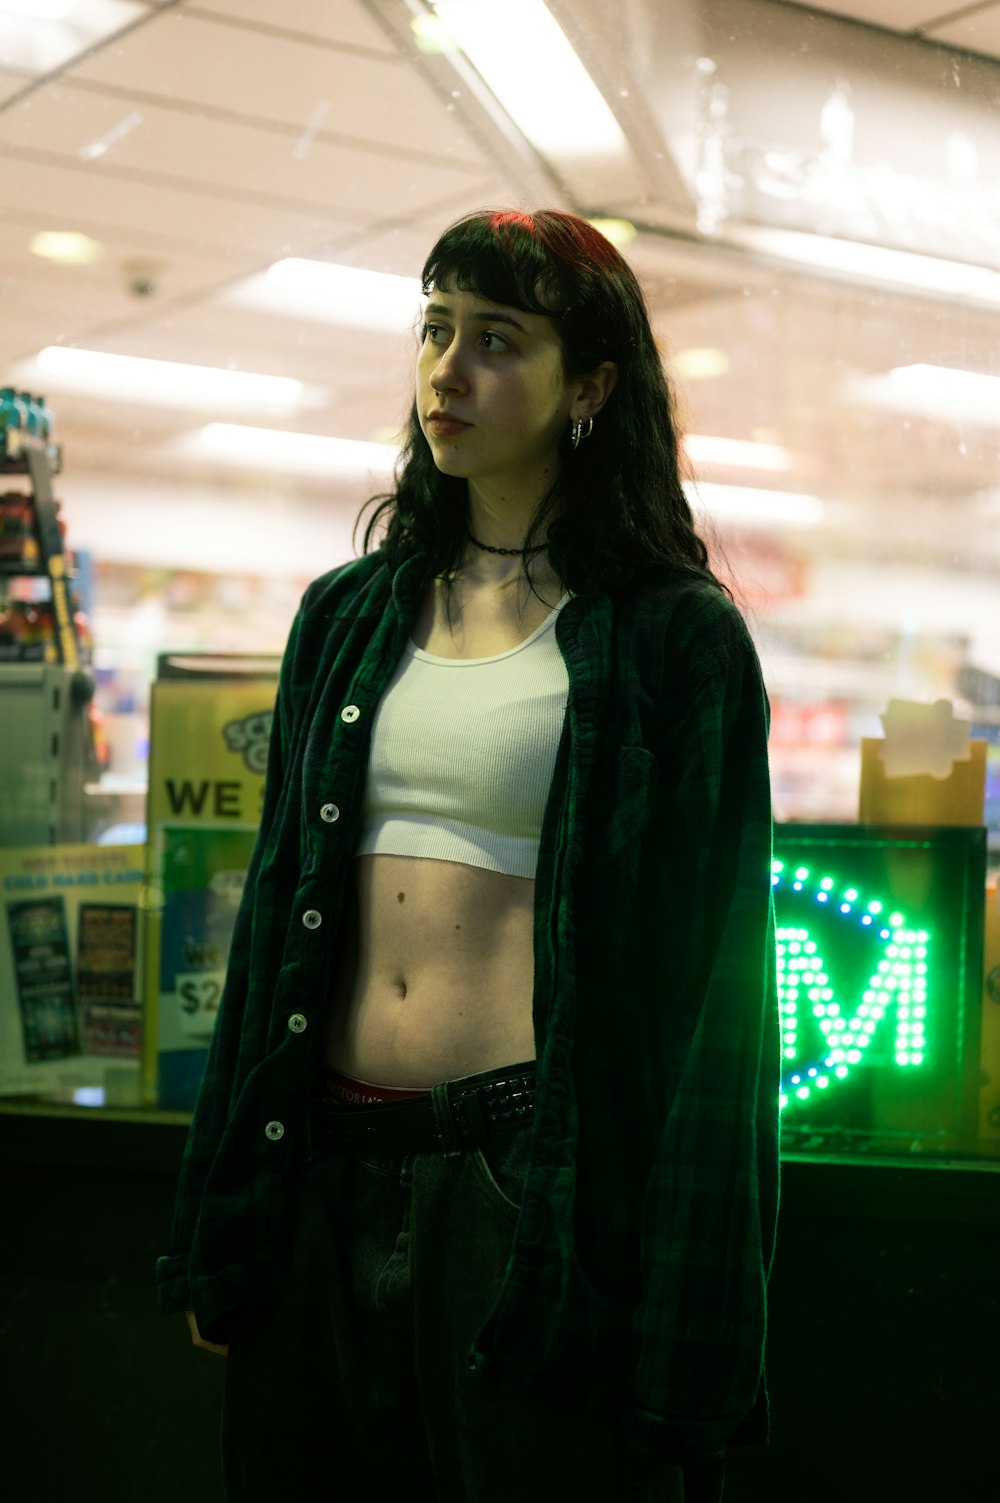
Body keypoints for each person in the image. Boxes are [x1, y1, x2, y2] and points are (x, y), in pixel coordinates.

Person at [157, 208, 780, 1503]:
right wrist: (222, 1228)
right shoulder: (349, 614)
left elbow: (718, 1013)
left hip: (516, 1190)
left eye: (498, 340)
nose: (449, 369)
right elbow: (275, 925)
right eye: (435, 329)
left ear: (590, 386)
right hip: (316, 1167)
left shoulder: (674, 642)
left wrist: (694, 1352)